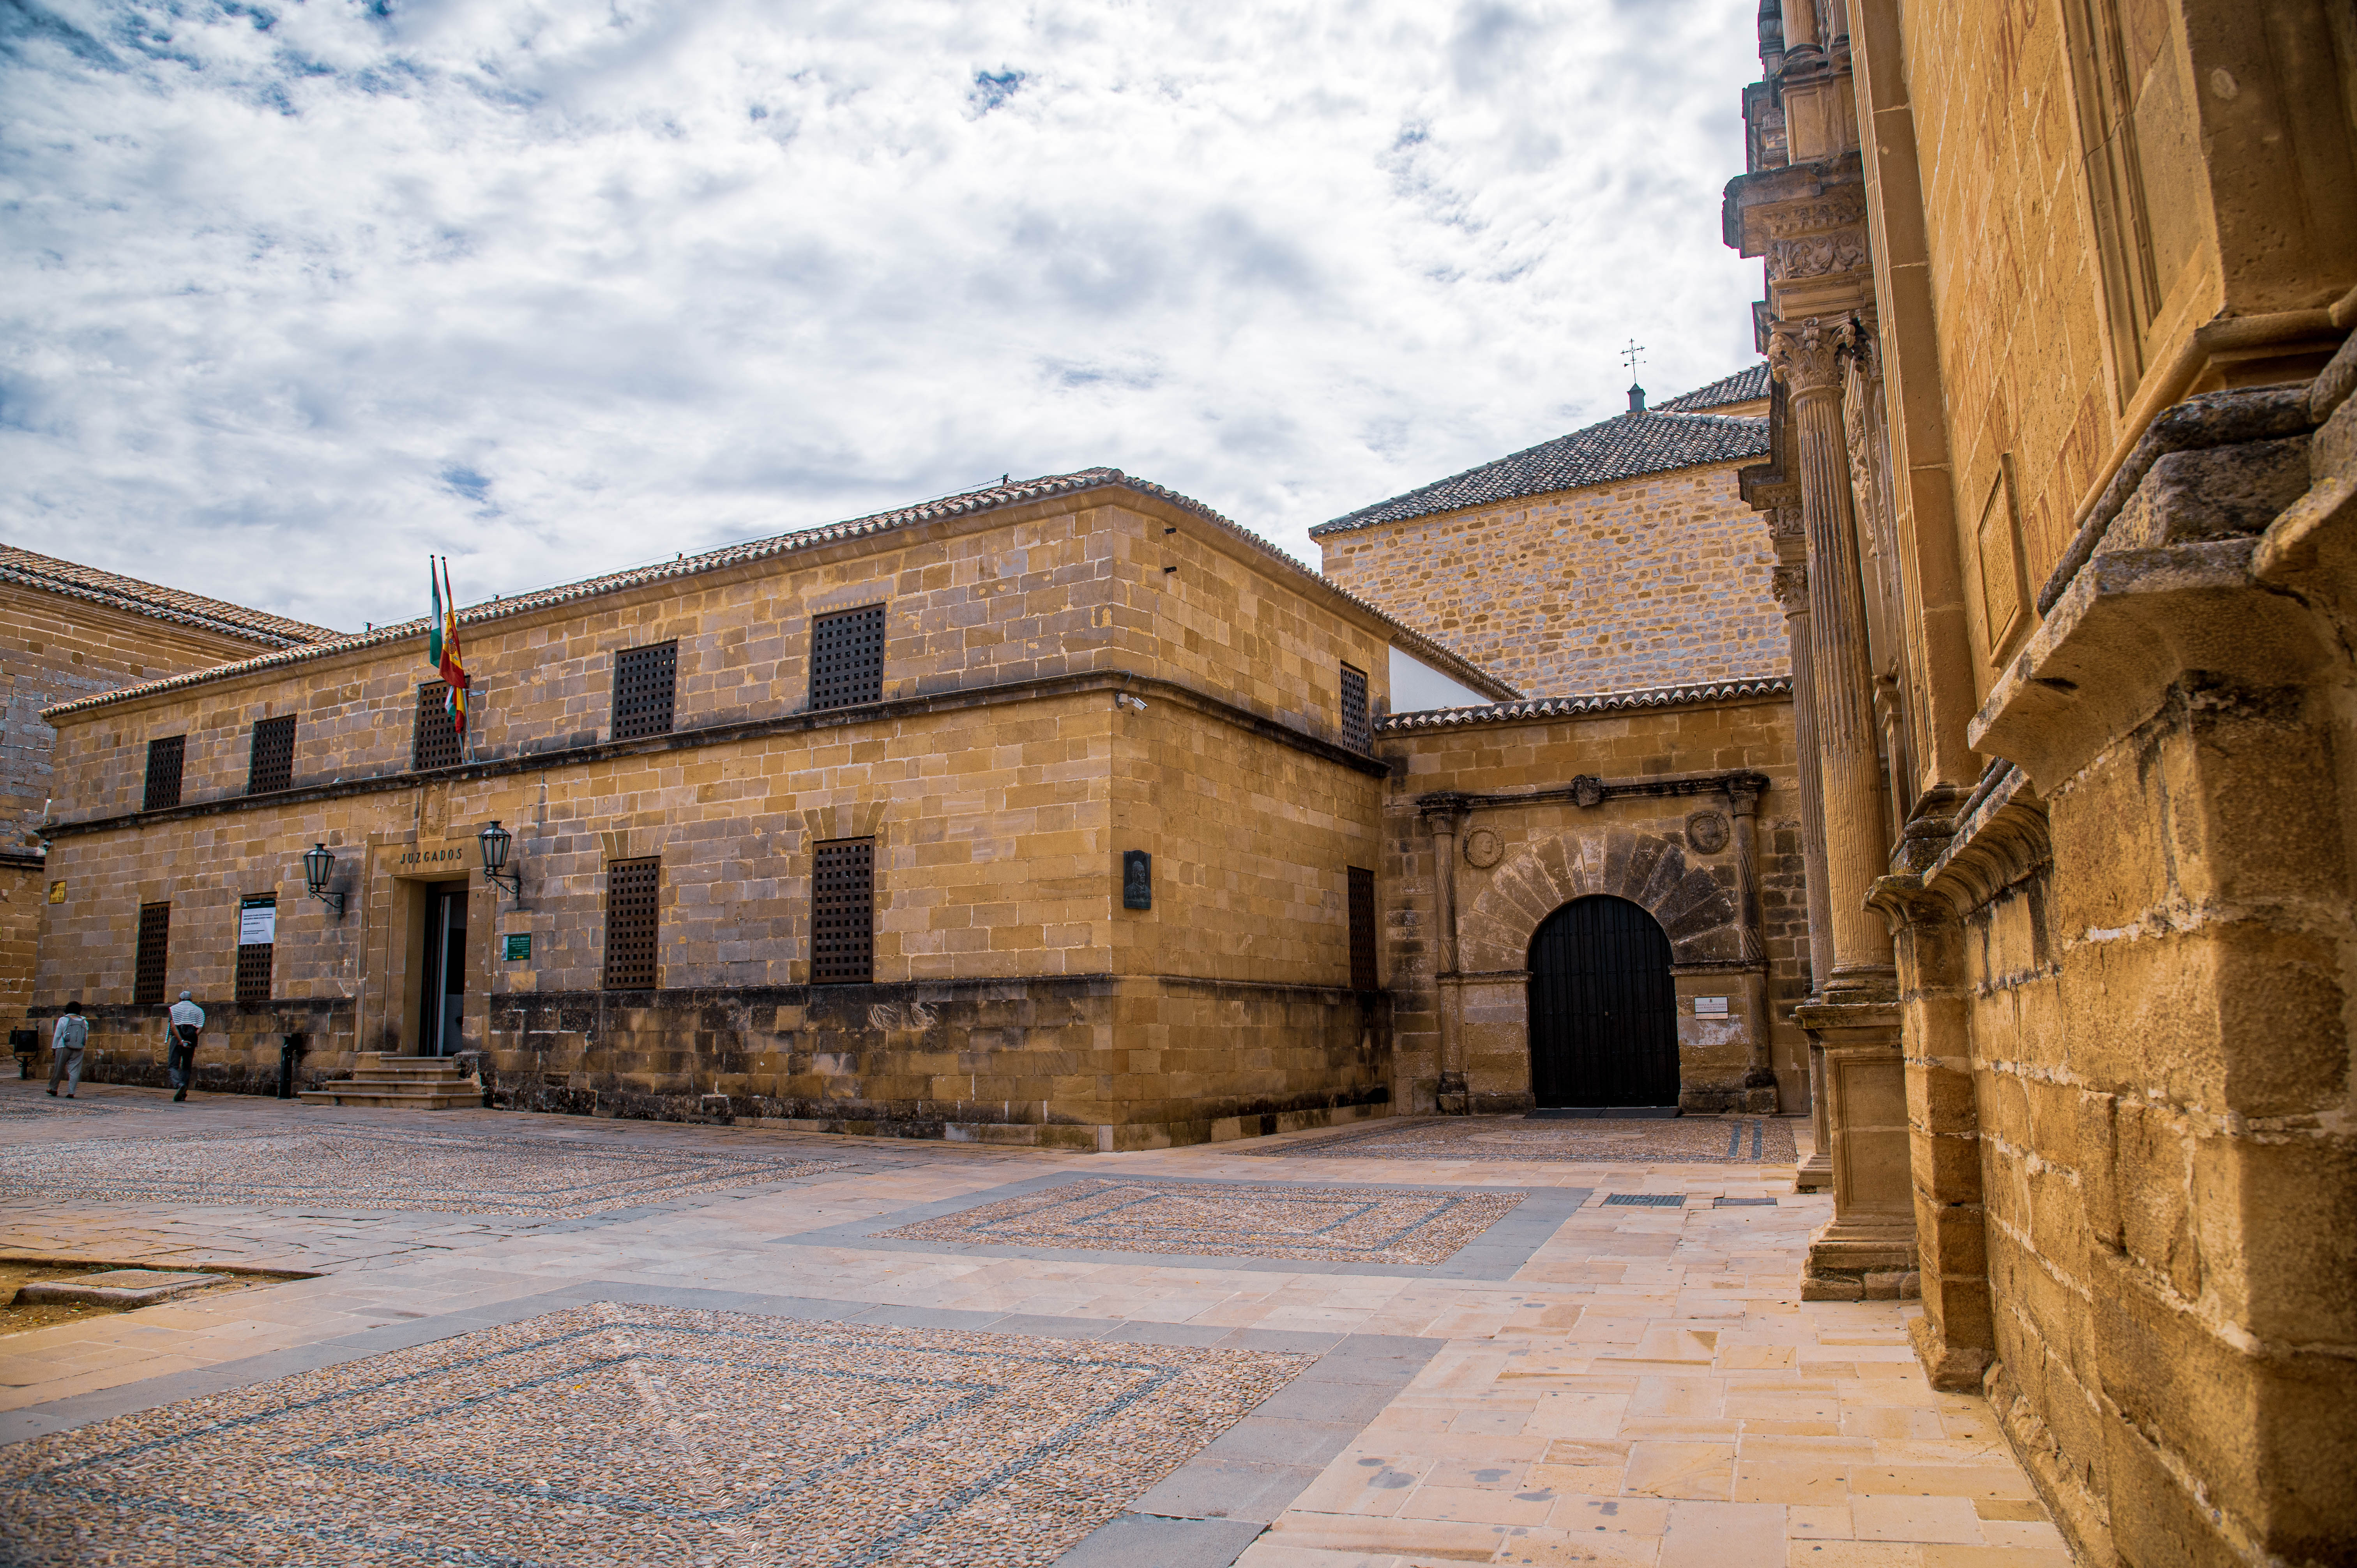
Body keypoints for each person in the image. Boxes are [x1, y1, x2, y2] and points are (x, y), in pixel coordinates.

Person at [167, 989, 204, 1102]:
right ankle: (183, 1093)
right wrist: (191, 1038)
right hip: (191, 1040)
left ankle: (179, 1085)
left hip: (177, 1040)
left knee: (173, 1066)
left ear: (180, 999)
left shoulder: (174, 1009)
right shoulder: (199, 1010)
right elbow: (201, 1027)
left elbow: (173, 1027)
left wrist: (181, 1040)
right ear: (191, 999)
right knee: (186, 1067)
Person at [46, 1001, 88, 1098]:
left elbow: (57, 1036)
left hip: (63, 1046)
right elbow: (86, 1036)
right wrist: (82, 1046)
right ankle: (71, 1092)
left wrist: (54, 1047)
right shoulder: (84, 1021)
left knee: (59, 1069)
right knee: (75, 1070)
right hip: (79, 1048)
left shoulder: (63, 1020)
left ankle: (53, 1088)